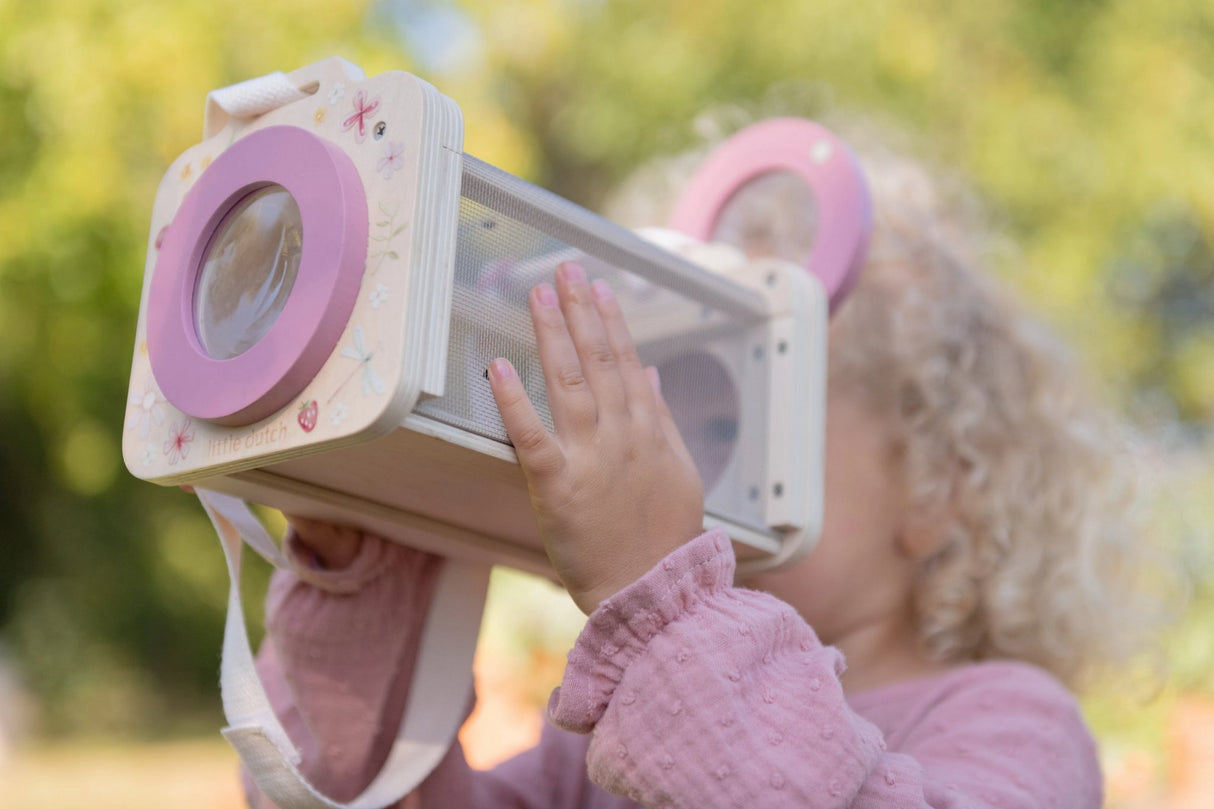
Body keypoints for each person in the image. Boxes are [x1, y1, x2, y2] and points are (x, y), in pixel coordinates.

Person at [243, 127, 1150, 808]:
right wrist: (369, 569)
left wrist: (663, 598)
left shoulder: (1011, 720)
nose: (673, 449)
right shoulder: (614, 721)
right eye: (668, 397)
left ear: (939, 483)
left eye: (738, 413)